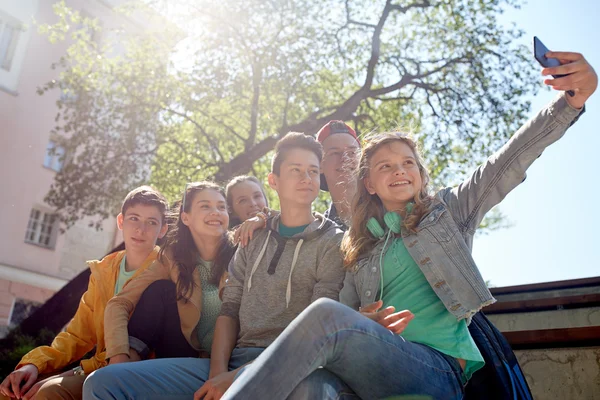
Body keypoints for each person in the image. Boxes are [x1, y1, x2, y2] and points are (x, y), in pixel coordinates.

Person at [218, 50, 597, 400]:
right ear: (368, 183)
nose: (399, 170)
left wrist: (568, 103)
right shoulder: (357, 244)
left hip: (437, 367)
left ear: (419, 173)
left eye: (407, 163)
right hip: (375, 362)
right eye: (385, 166)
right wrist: (365, 318)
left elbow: (507, 163)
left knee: (322, 316)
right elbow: (346, 311)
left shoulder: (448, 212)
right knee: (314, 385)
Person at [196, 132, 350, 400]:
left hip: (296, 363)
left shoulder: (333, 242)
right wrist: (217, 374)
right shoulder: (252, 236)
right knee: (105, 383)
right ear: (273, 181)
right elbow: (229, 308)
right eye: (296, 170)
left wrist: (237, 377)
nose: (306, 178)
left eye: (313, 171)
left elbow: (318, 329)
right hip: (234, 358)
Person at [0, 186, 169, 400]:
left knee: (49, 392)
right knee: (13, 391)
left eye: (152, 222)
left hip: (137, 372)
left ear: (162, 230)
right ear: (120, 222)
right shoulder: (104, 270)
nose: (141, 229)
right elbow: (78, 335)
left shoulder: (165, 270)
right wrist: (35, 364)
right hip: (96, 369)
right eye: (134, 218)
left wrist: (75, 371)